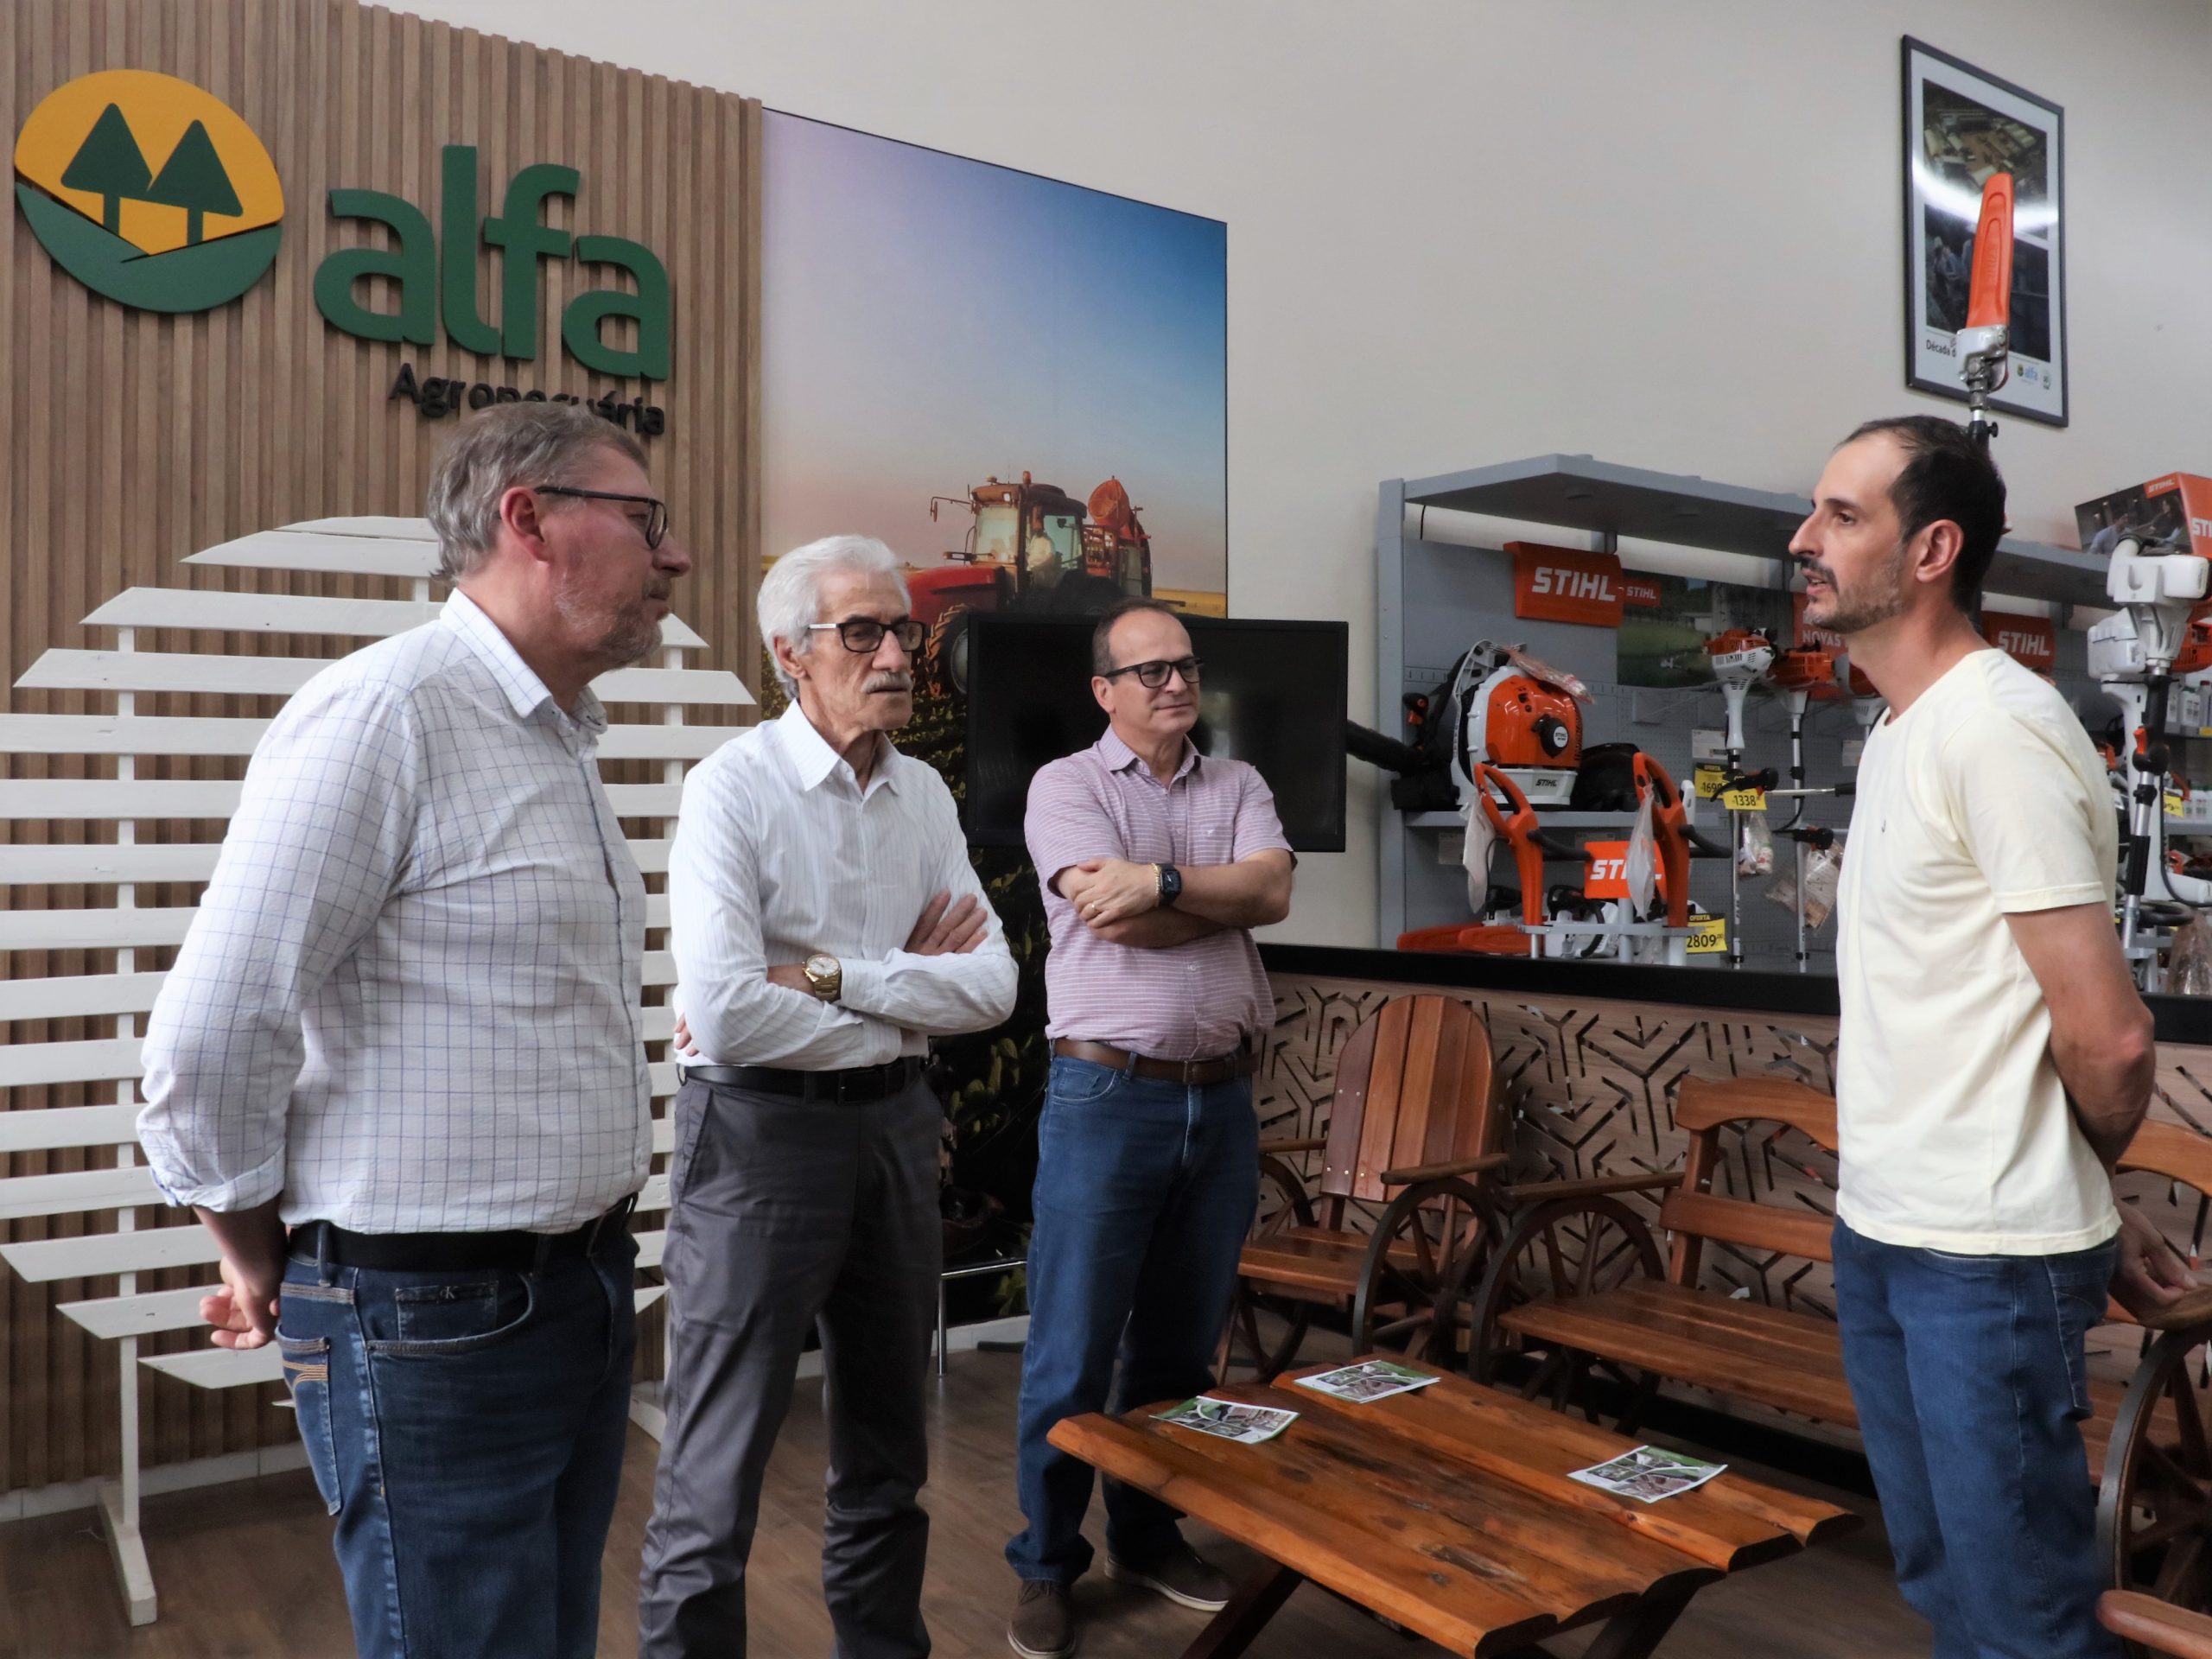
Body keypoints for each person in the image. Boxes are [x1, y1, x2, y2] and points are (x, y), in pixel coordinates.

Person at [137, 402, 692, 1658]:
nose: (675, 555)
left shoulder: (554, 735)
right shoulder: (388, 714)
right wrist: (256, 1251)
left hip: (577, 1284)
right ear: (528, 518)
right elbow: (210, 1039)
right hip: (431, 1315)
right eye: (645, 519)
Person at [1790, 413, 2196, 1659]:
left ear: (1932, 550)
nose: (1803, 539)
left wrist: (2072, 1186)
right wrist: (2087, 1187)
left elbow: (2110, 1039)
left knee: (2023, 1616)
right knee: (1944, 1584)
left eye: (1842, 516)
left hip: (1980, 1264)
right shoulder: (1900, 730)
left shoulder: (1997, 729)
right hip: (1885, 1229)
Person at [639, 534, 1019, 1659]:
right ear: (789, 655)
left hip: (898, 1131)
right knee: (713, 1480)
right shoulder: (732, 789)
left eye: (903, 630)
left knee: (891, 1459)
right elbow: (725, 1013)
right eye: (862, 632)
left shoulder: (924, 794)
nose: (896, 654)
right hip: (756, 1137)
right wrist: (908, 998)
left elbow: (992, 989)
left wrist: (825, 975)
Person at [1006, 597, 1294, 1659]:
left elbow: (1273, 893)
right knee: (1071, 1351)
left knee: (1179, 1351)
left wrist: (1165, 881)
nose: (1176, 684)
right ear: (1105, 691)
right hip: (1106, 1100)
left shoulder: (1239, 784)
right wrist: (1216, 900)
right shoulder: (1066, 786)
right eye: (1151, 671)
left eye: (1186, 666)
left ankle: (1146, 1536)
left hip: (1221, 1102)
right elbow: (1109, 916)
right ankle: (1045, 1562)